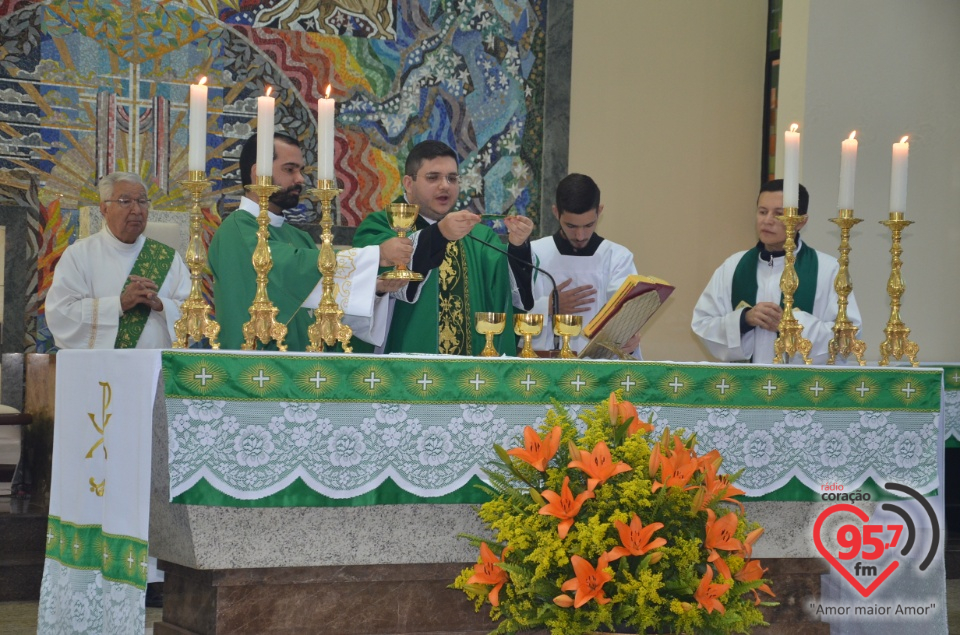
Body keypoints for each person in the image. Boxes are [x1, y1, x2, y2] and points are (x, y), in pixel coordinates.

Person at [208, 133, 411, 351]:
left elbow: (321, 300)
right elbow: (286, 268)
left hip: (305, 370)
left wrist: (374, 287)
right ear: (259, 174)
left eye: (301, 170)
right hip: (255, 370)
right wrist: (376, 254)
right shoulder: (237, 229)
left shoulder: (298, 237)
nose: (301, 180)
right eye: (289, 169)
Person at [352, 140, 535, 355]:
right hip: (404, 370)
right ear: (408, 184)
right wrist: (439, 234)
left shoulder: (478, 236)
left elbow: (504, 292)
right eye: (433, 177)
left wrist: (517, 247)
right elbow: (368, 290)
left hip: (468, 374)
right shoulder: (380, 226)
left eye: (452, 178)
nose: (445, 186)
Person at [691, 179, 861, 364]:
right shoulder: (733, 267)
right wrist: (743, 320)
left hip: (802, 388)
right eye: (762, 212)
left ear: (801, 222)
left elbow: (847, 338)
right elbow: (702, 324)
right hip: (747, 387)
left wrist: (790, 324)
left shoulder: (828, 270)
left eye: (779, 214)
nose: (767, 220)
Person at [46, 172, 191, 349]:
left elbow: (192, 317)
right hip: (104, 371)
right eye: (125, 201)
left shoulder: (168, 258)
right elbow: (61, 315)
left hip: (157, 369)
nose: (136, 210)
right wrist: (119, 304)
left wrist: (160, 305)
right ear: (104, 208)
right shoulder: (79, 255)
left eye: (142, 201)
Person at [528, 173, 641, 357]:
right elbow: (512, 312)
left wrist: (630, 338)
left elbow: (626, 315)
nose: (580, 236)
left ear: (600, 211)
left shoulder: (617, 258)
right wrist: (548, 307)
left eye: (589, 225)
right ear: (556, 212)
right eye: (571, 226)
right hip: (547, 366)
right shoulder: (534, 254)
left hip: (600, 370)